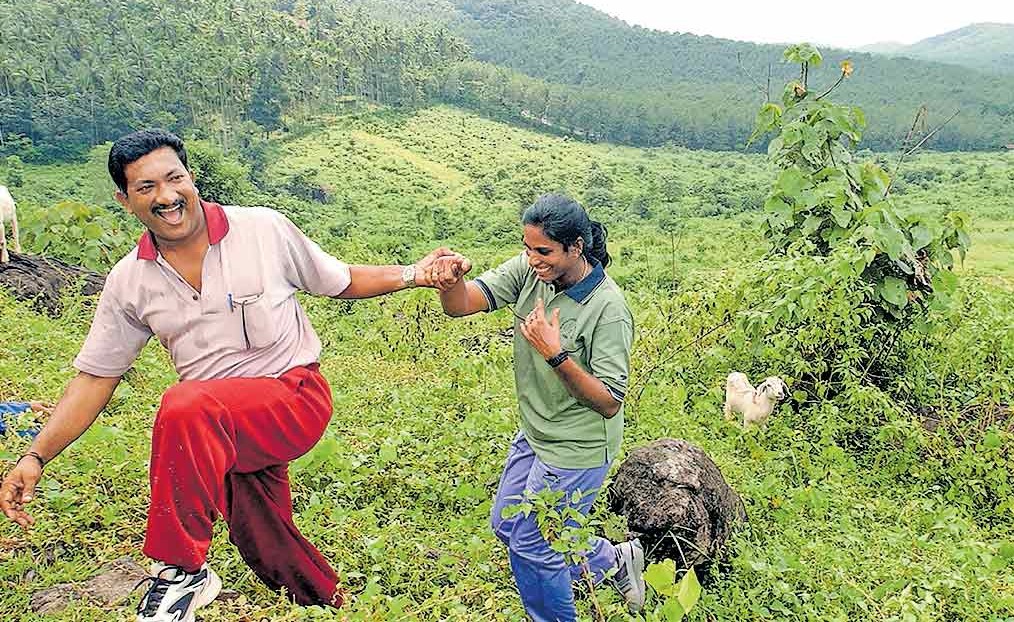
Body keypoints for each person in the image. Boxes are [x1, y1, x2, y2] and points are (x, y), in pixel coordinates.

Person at [0, 130, 458, 622]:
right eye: (146, 187)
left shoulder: (262, 230)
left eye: (174, 179)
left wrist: (414, 274)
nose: (167, 196)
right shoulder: (129, 279)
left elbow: (340, 280)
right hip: (220, 425)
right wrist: (35, 456)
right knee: (262, 535)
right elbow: (95, 378)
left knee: (185, 404)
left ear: (191, 177)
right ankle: (327, 602)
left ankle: (180, 571)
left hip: (292, 398)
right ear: (125, 200)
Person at [432, 193, 645, 620]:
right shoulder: (531, 271)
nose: (532, 259)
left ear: (576, 247)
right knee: (507, 525)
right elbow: (462, 305)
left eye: (543, 251)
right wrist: (450, 281)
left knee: (534, 544)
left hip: (578, 445)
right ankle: (613, 560)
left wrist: (555, 354)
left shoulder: (608, 308)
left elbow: (609, 402)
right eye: (527, 248)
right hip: (537, 431)